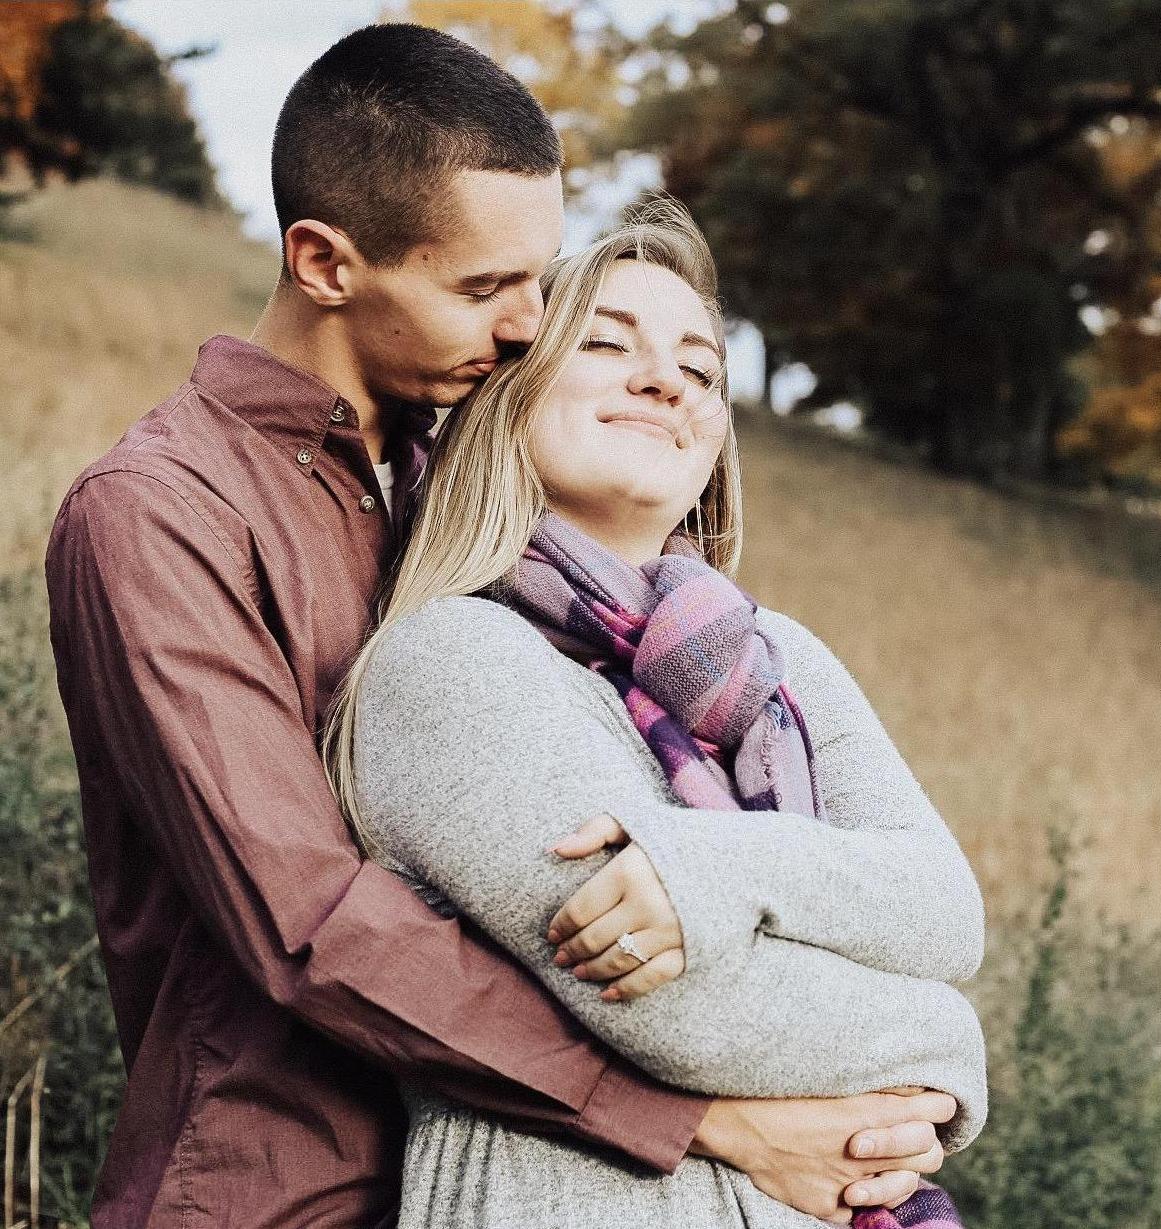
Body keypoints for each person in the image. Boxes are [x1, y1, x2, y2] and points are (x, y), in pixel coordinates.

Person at [46, 23, 965, 1229]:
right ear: (323, 263)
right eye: (483, 289)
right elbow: (312, 924)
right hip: (287, 1185)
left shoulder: (462, 485)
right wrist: (710, 1117)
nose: (531, 324)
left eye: (537, 280)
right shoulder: (162, 515)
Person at [326, 201, 987, 1229]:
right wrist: (948, 1037)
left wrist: (712, 867)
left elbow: (942, 908)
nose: (666, 381)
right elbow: (675, 1010)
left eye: (700, 367)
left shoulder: (779, 661)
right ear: (505, 394)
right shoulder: (449, 658)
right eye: (605, 343)